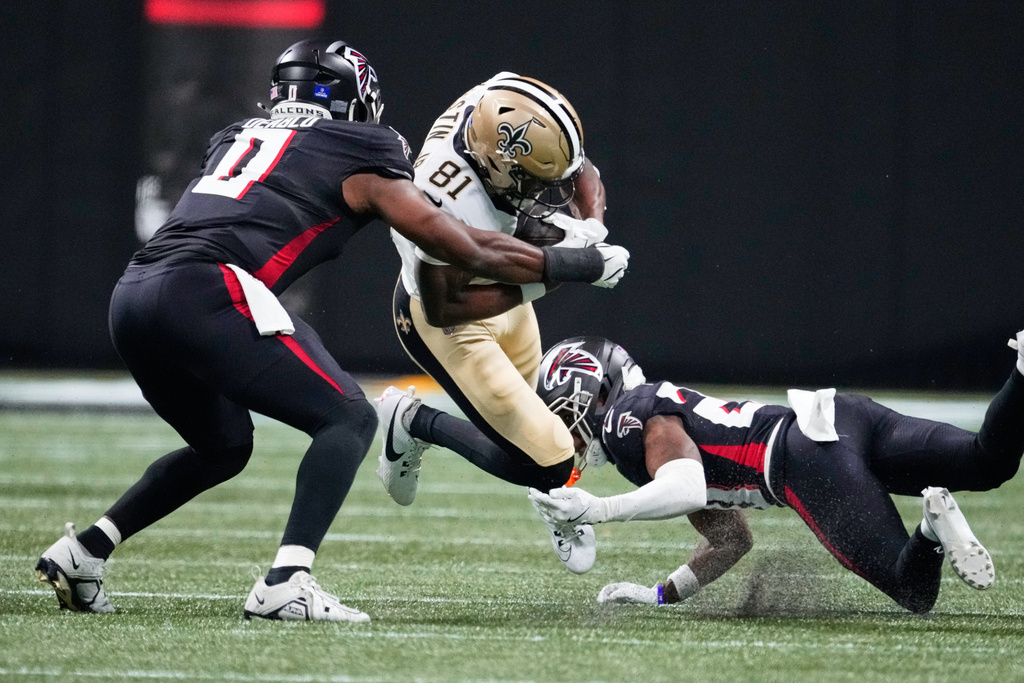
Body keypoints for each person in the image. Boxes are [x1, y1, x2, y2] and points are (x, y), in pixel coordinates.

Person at [33, 39, 629, 623]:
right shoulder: (360, 145)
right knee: (348, 416)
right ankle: (286, 582)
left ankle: (85, 551)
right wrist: (578, 263)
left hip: (134, 294)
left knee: (223, 447)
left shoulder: (237, 136)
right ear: (356, 101)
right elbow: (461, 246)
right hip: (208, 287)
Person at [527, 333, 1024, 613]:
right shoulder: (643, 412)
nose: (559, 428)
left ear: (591, 390)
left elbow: (685, 486)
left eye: (558, 410)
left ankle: (930, 528)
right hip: (841, 416)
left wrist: (599, 510)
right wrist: (662, 593)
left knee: (914, 590)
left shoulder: (623, 421)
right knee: (987, 461)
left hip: (803, 459)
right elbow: (730, 540)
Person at [373, 73, 620, 574]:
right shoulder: (443, 195)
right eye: (531, 182)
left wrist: (591, 231)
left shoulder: (505, 110)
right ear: (497, 162)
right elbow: (449, 306)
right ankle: (412, 421)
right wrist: (563, 272)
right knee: (549, 459)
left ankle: (554, 499)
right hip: (444, 318)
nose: (545, 194)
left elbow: (579, 169)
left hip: (498, 295)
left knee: (541, 432)